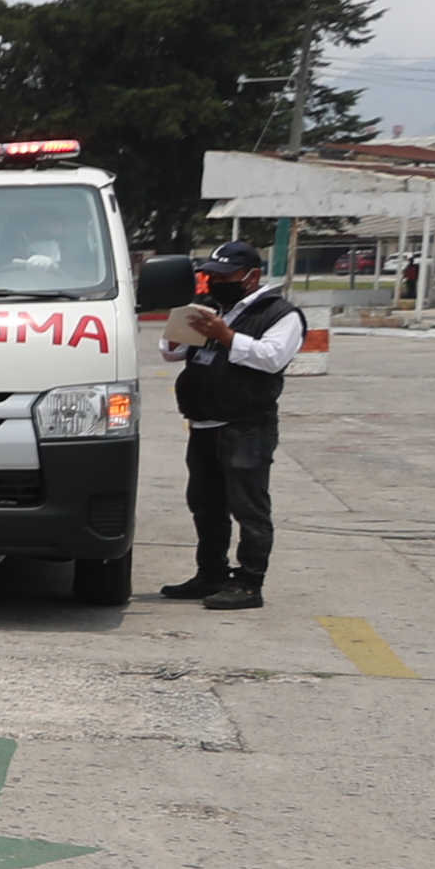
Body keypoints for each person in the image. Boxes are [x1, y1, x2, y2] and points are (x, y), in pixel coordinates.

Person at [159, 238, 305, 611]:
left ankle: (249, 583)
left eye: (226, 275)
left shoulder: (280, 314)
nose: (216, 281)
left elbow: (272, 358)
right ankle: (210, 573)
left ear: (252, 276)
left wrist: (226, 336)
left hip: (246, 426)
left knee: (249, 507)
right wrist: (180, 326)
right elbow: (170, 352)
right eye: (210, 275)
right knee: (205, 505)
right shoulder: (210, 308)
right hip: (204, 423)